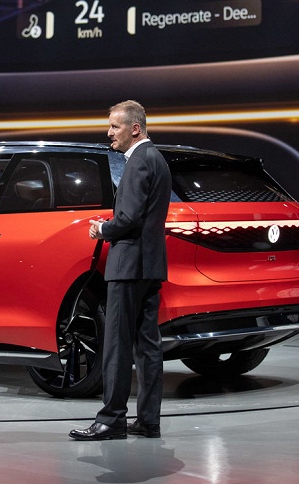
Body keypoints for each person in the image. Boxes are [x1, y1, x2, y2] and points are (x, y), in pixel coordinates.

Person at [69, 100, 172, 441]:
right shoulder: (157, 159)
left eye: (115, 126)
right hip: (150, 266)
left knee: (116, 344)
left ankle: (111, 419)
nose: (109, 133)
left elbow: (128, 218)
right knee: (148, 346)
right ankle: (148, 421)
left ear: (135, 128)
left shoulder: (139, 161)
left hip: (128, 266)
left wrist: (102, 229)